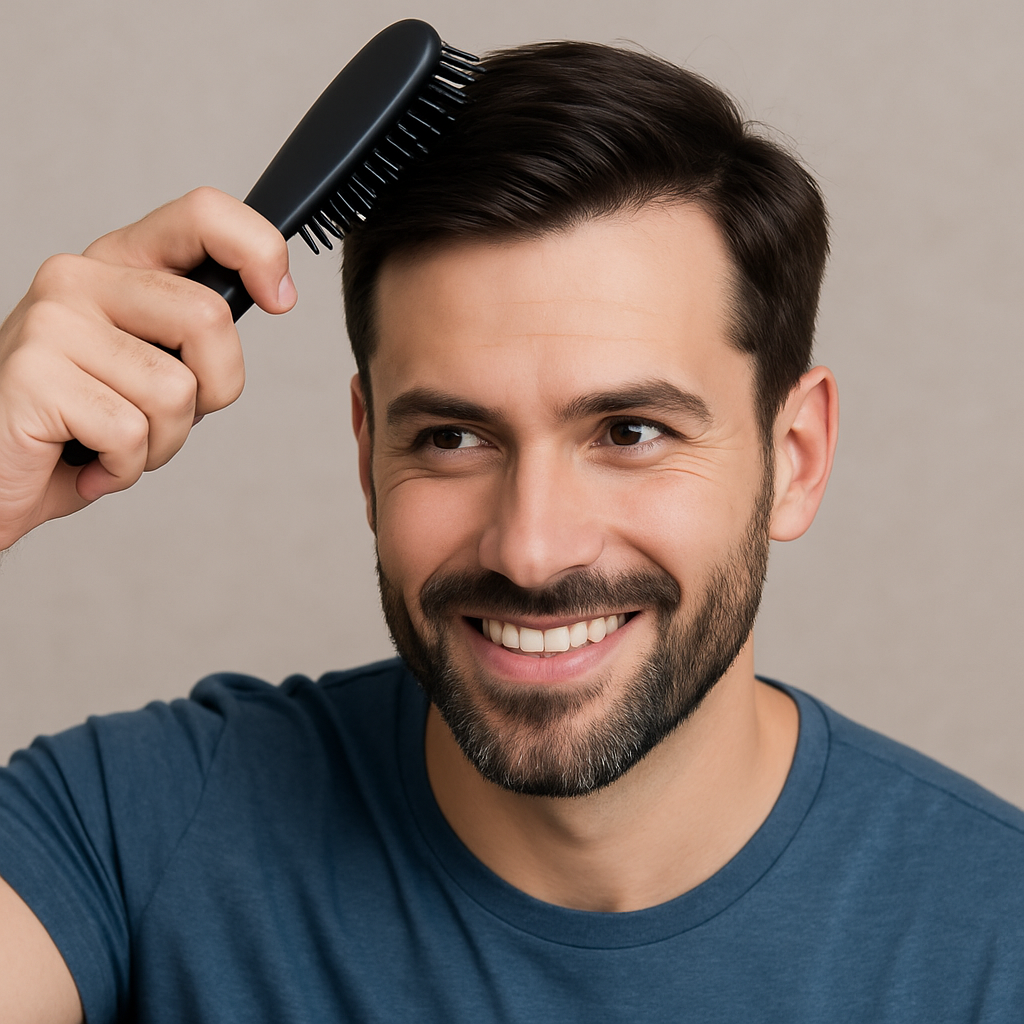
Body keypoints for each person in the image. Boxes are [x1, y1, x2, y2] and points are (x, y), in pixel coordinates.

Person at [0, 39, 1021, 1024]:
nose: (531, 550)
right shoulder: (128, 830)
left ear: (794, 456)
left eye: (629, 431)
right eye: (451, 436)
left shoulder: (995, 938)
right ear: (367, 456)